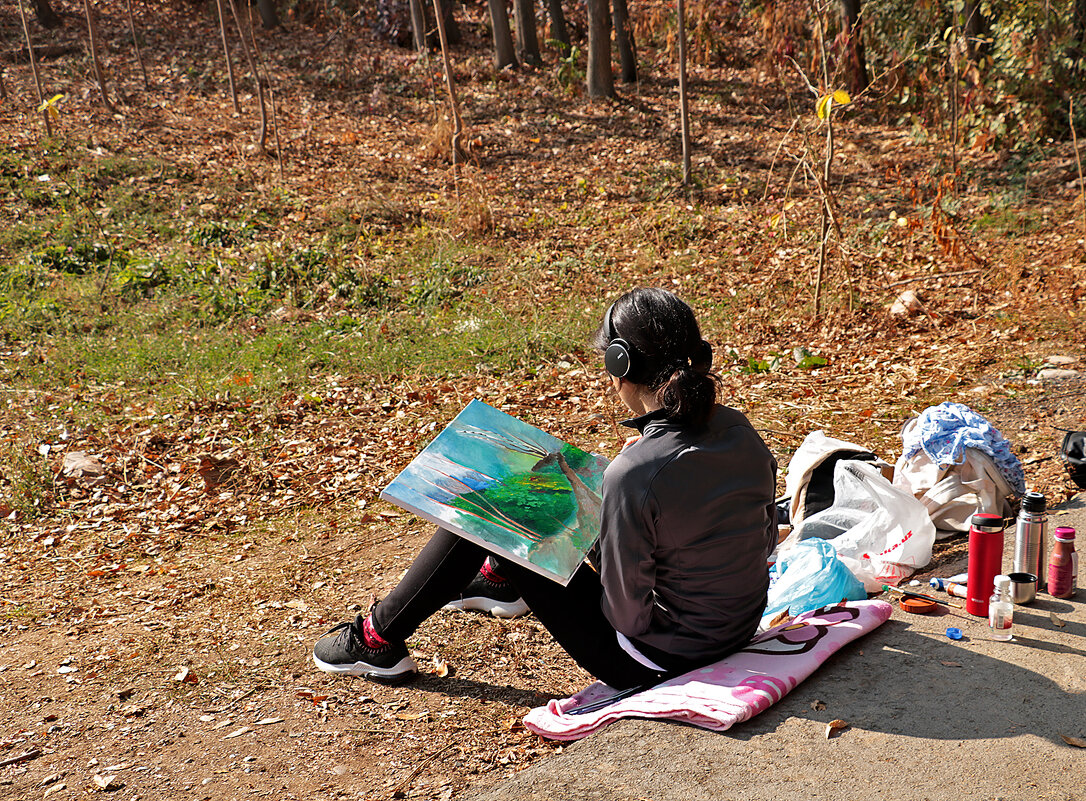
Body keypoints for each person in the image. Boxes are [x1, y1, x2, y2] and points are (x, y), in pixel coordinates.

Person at [313, 288, 778, 689]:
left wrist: (597, 531)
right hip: (736, 629)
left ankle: (376, 640)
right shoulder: (741, 431)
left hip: (655, 659)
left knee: (490, 506)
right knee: (530, 503)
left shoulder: (633, 474)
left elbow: (627, 617)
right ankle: (499, 576)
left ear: (620, 362)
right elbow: (748, 536)